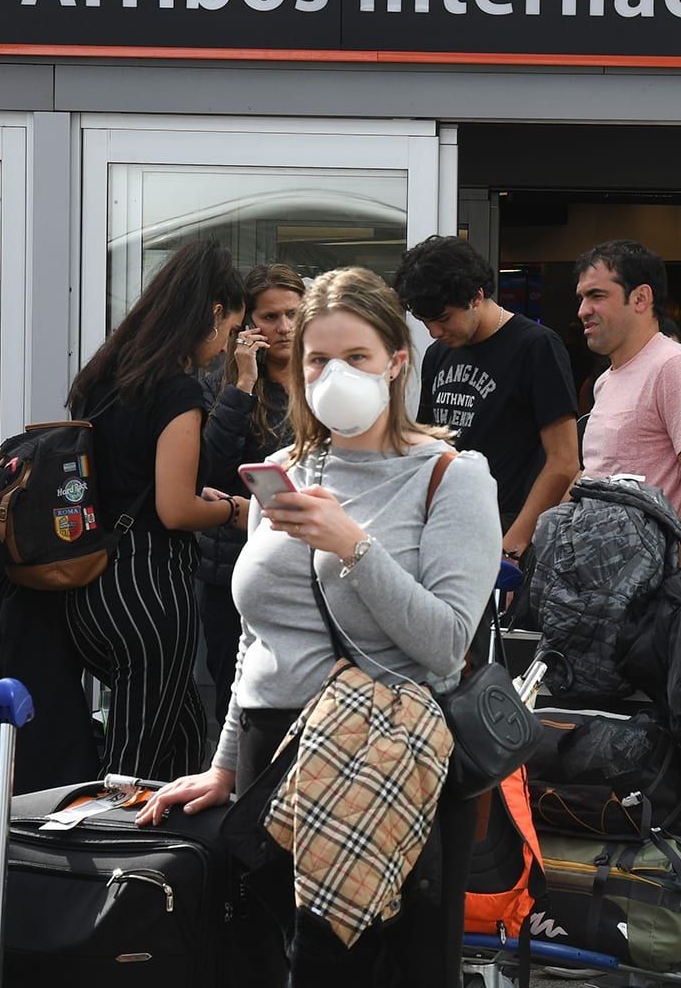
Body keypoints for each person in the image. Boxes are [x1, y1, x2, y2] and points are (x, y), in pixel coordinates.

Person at [141, 267, 502, 984]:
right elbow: (257, 636)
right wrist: (224, 763)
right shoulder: (282, 469)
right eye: (318, 359)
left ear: (397, 361)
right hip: (274, 758)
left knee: (375, 969)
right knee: (273, 963)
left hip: (384, 760)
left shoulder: (450, 476)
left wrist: (353, 546)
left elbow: (445, 643)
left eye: (356, 357)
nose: (334, 374)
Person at [64, 238, 259, 782]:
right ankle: (112, 862)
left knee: (184, 733)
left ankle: (175, 857)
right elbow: (174, 509)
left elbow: (135, 483)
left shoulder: (103, 376)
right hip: (148, 588)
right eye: (229, 331)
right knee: (134, 766)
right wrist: (231, 512)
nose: (225, 348)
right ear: (214, 313)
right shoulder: (177, 391)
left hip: (91, 579)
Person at [395, 235, 579, 561]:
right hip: (449, 527)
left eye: (443, 319)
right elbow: (429, 449)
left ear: (476, 296)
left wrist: (514, 545)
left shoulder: (536, 346)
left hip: (510, 527)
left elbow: (564, 461)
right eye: (425, 323)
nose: (434, 333)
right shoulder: (438, 354)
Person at [194, 264, 306, 726]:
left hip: (305, 561)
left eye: (293, 315)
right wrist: (242, 383)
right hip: (234, 563)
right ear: (246, 324)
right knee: (235, 687)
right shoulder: (220, 382)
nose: (283, 328)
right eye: (270, 317)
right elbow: (210, 469)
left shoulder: (320, 379)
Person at [574, 239, 681, 548]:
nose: (582, 310)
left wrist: (672, 572)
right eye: (581, 297)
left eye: (597, 295)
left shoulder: (674, 366)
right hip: (599, 574)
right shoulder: (605, 380)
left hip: (647, 584)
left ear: (641, 298)